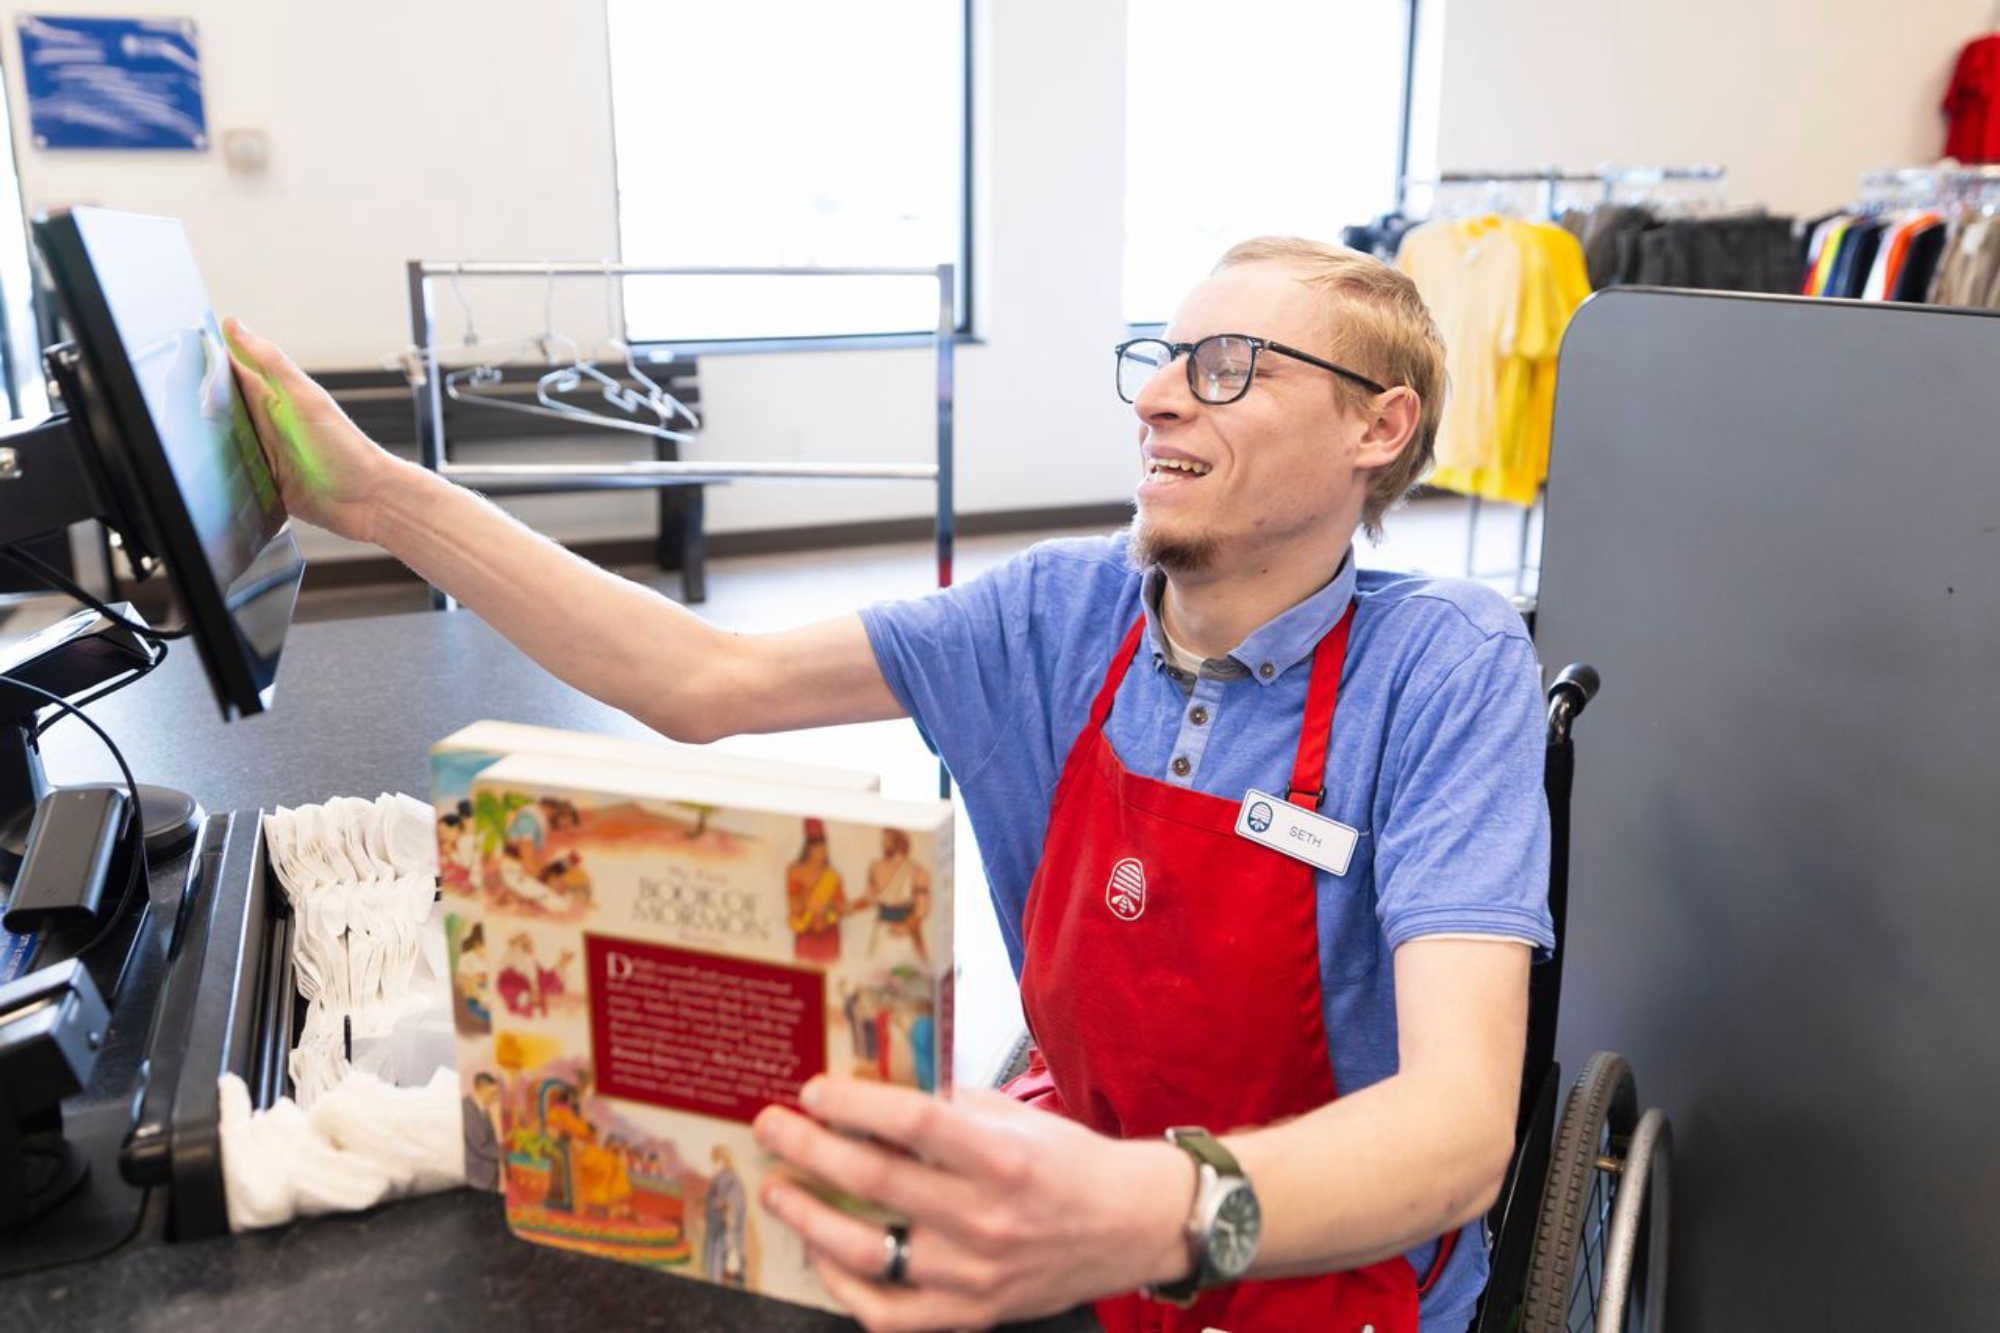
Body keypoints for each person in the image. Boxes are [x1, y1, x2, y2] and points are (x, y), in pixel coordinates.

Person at [226, 234, 1549, 1333]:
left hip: (1326, 1269)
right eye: (1158, 360)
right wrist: (386, 498)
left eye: (1229, 368)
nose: (1157, 397)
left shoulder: (1444, 665)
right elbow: (702, 679)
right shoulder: (1062, 615)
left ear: (1380, 425)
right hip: (1071, 1203)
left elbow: (1456, 1130)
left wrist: (1154, 1206)